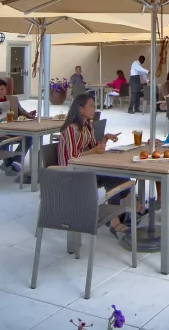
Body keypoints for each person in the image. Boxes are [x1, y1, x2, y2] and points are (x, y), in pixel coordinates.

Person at [57, 94, 133, 241]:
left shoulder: (87, 126)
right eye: (91, 106)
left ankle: (125, 210)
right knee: (112, 177)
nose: (94, 109)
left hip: (85, 170)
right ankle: (116, 220)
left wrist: (105, 139)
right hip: (71, 174)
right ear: (80, 109)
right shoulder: (71, 129)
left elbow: (93, 147)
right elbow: (73, 158)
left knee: (119, 175)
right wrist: (93, 151)